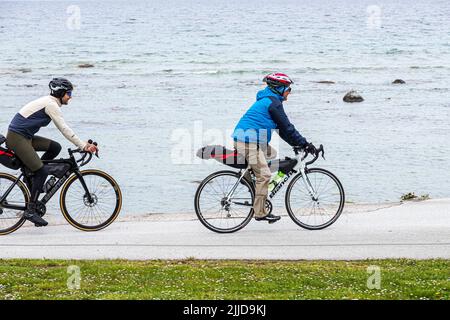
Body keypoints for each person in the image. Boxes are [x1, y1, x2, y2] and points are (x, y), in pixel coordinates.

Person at [6, 78, 98, 227]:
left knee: (55, 147)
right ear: (61, 93)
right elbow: (64, 129)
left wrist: (82, 145)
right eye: (69, 93)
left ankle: (32, 173)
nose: (70, 96)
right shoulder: (51, 105)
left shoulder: (50, 102)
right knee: (42, 172)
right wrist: (83, 146)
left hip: (25, 137)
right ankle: (30, 211)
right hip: (17, 138)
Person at [232, 73, 317, 223]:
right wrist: (305, 144)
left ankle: (251, 180)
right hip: (248, 143)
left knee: (272, 154)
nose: (289, 92)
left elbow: (282, 130)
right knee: (265, 174)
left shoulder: (269, 101)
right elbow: (287, 127)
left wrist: (298, 143)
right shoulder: (273, 103)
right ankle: (259, 212)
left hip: (246, 140)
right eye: (288, 89)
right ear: (279, 88)